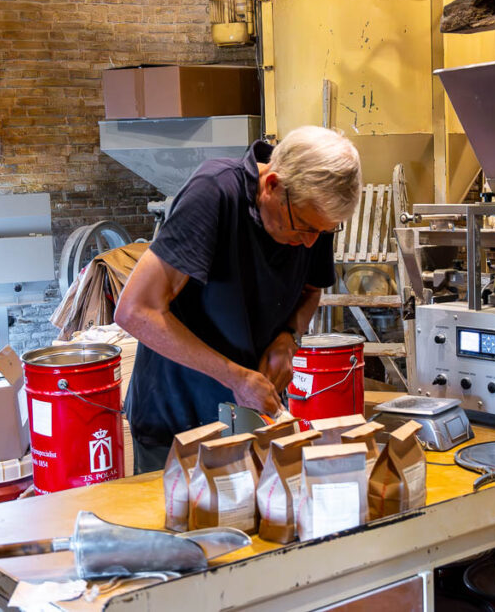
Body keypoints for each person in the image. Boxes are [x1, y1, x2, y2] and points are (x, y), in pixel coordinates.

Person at [115, 125, 362, 473]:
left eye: (321, 233)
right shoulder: (214, 193)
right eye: (305, 228)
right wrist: (235, 378)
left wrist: (288, 339)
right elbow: (135, 311)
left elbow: (310, 288)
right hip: (177, 421)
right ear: (273, 185)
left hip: (253, 416)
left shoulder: (311, 214)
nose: (310, 244)